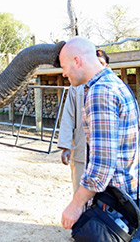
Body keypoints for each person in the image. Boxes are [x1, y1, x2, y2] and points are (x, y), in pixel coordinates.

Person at [59, 37, 140, 241]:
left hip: (116, 206)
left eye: (64, 67)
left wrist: (75, 205)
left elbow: (102, 165)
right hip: (127, 199)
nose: (64, 73)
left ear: (77, 61)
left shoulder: (101, 92)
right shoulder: (114, 84)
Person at [58, 50, 109, 195]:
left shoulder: (113, 88)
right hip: (81, 150)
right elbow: (68, 117)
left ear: (106, 65)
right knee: (79, 191)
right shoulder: (76, 87)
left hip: (105, 154)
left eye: (101, 63)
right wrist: (65, 146)